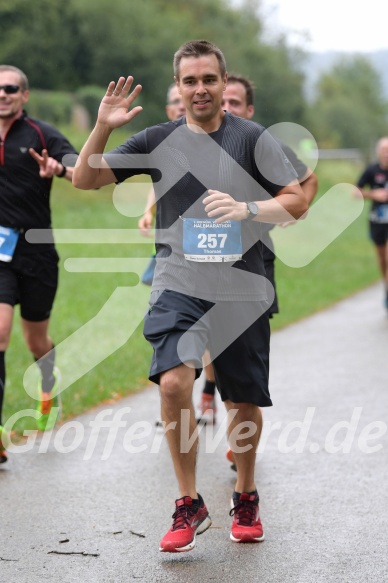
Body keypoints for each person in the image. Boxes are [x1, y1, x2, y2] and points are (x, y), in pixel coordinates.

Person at [73, 40, 308, 552]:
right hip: (178, 284)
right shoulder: (159, 139)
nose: (199, 89)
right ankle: (188, 501)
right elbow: (84, 178)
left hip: (241, 287)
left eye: (208, 79)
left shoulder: (253, 139)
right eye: (189, 81)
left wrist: (248, 209)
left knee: (243, 400)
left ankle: (245, 494)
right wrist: (104, 126)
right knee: (174, 383)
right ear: (177, 89)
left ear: (225, 84)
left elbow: (296, 203)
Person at [199, 74, 318, 427]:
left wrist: (293, 210)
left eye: (236, 103)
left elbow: (307, 179)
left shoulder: (264, 143)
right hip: (205, 255)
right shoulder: (197, 139)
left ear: (248, 109)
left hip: (254, 257)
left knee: (247, 346)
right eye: (226, 100)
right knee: (206, 327)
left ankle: (240, 413)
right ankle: (210, 391)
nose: (228, 107)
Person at [0, 65, 76, 463]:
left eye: (10, 88)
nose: (2, 94)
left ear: (24, 95)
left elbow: (81, 167)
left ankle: (48, 388)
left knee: (35, 342)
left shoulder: (42, 134)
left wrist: (58, 168)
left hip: (37, 253)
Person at [138, 83, 185, 284]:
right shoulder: (163, 144)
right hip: (167, 238)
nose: (181, 106)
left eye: (184, 100)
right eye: (176, 101)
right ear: (169, 110)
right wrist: (148, 211)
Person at [355, 137, 388, 310]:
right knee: (383, 260)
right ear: (378, 152)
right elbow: (355, 191)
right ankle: (386, 286)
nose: (386, 153)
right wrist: (374, 195)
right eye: (384, 150)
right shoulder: (371, 170)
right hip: (377, 221)